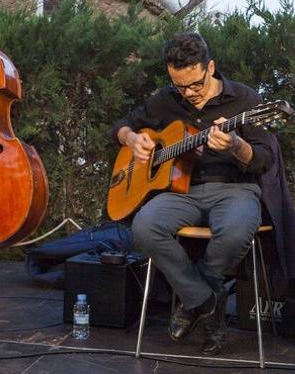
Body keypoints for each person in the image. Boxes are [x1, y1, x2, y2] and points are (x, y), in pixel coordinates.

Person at [115, 32, 276, 355]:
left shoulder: (245, 101)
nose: (189, 94)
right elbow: (122, 125)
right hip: (181, 191)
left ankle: (193, 302)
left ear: (210, 67)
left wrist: (235, 145)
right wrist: (133, 140)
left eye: (196, 85)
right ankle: (206, 301)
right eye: (180, 86)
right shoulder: (166, 99)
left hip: (234, 189)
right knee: (144, 227)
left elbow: (263, 158)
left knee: (233, 233)